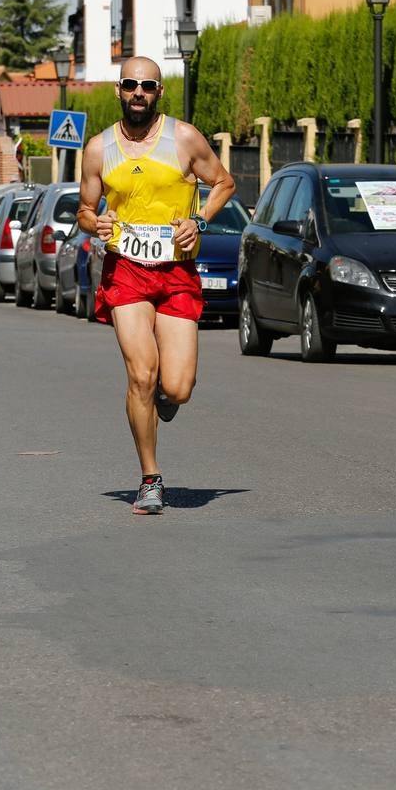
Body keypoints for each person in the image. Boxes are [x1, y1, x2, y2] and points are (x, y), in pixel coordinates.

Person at [77, 56, 235, 516]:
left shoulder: (183, 138)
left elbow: (224, 182)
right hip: (125, 269)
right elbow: (85, 210)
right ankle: (150, 478)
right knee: (141, 373)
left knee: (178, 387)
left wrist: (199, 222)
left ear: (159, 92)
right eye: (130, 84)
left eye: (148, 85)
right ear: (119, 90)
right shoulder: (98, 148)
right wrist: (97, 221)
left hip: (176, 272)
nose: (138, 92)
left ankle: (166, 397)